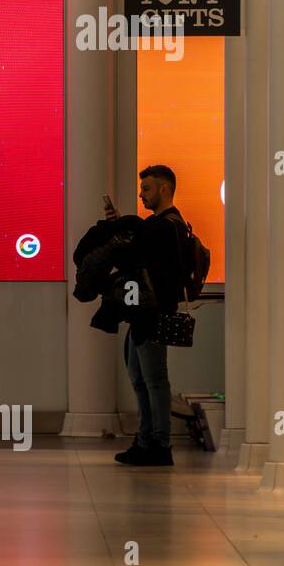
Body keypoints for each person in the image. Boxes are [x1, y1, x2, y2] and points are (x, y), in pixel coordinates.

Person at [105, 165, 190, 467]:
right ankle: (146, 441)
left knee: (153, 381)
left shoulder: (166, 227)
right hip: (147, 314)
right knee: (143, 379)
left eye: (147, 189)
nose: (142, 195)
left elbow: (136, 256)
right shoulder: (168, 225)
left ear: (165, 189)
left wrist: (118, 232)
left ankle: (158, 444)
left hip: (152, 314)